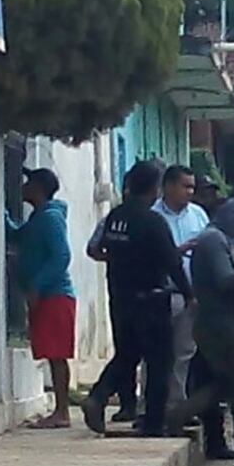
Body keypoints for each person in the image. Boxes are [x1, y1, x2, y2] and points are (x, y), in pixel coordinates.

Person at [80, 161, 195, 437]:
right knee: (159, 362)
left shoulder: (115, 217)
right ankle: (154, 423)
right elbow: (171, 262)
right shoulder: (152, 221)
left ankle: (98, 395)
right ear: (156, 188)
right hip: (151, 299)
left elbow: (98, 249)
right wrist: (189, 294)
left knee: (128, 354)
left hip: (120, 296)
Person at [170, 199, 234, 466]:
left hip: (227, 322)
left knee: (228, 385)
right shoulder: (212, 241)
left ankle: (177, 415)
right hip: (218, 323)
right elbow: (227, 281)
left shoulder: (220, 239)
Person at [6, 168, 76, 429]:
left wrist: (37, 285)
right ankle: (61, 410)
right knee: (52, 352)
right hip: (47, 294)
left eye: (29, 183)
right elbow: (18, 235)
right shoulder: (39, 218)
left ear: (39, 188)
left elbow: (62, 255)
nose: (24, 187)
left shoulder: (49, 219)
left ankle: (62, 411)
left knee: (57, 355)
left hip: (55, 295)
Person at [153, 165, 210, 405]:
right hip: (160, 294)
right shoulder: (153, 216)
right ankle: (153, 405)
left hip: (191, 295)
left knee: (184, 352)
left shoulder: (198, 215)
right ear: (168, 186)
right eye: (185, 186)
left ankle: (176, 405)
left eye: (192, 187)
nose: (190, 192)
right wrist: (177, 251)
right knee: (156, 353)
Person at [87, 179, 138, 423]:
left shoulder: (110, 220)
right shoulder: (139, 219)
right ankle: (110, 397)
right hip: (141, 293)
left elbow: (94, 249)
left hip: (117, 290)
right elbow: (93, 249)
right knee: (132, 351)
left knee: (126, 349)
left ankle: (127, 404)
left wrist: (113, 258)